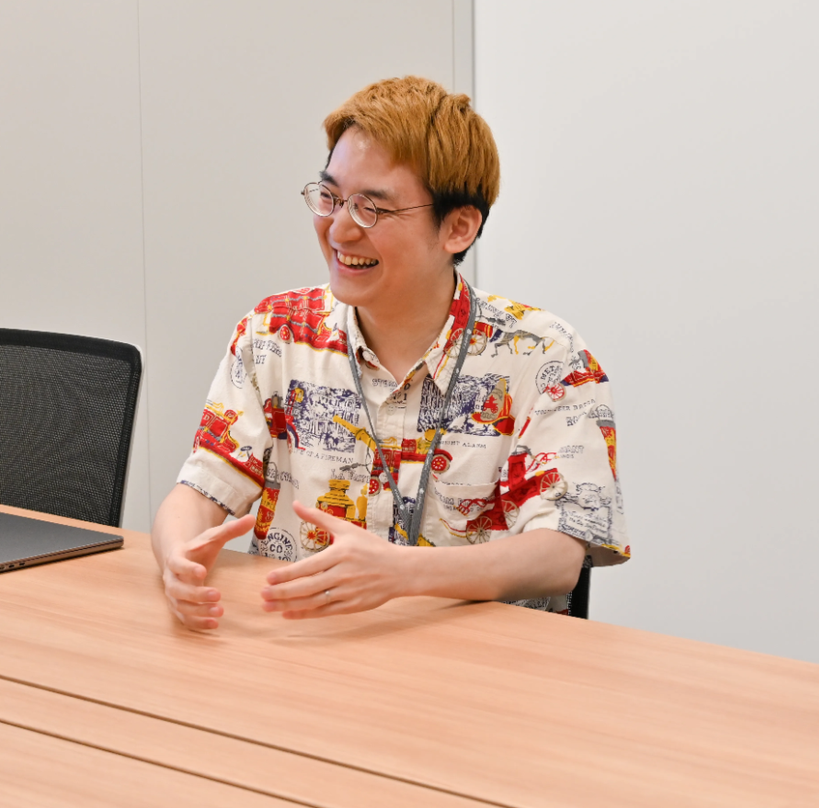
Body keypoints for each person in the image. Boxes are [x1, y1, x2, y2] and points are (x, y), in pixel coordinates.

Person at [153, 76, 629, 630]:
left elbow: (559, 555)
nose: (338, 229)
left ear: (458, 227)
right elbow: (198, 491)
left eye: (371, 209)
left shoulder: (545, 357)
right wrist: (177, 558)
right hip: (307, 653)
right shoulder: (275, 334)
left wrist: (401, 573)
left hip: (480, 665)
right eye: (330, 197)